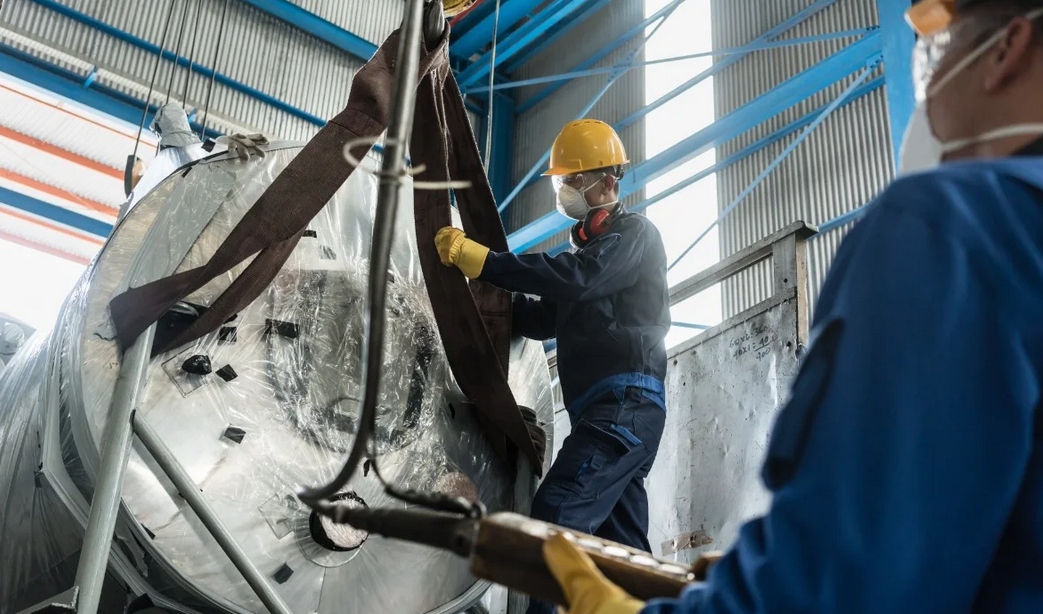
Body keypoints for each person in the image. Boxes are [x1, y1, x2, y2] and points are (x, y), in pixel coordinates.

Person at [528, 1, 1043, 613]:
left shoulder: (950, 230)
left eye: (940, 48)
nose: (927, 79)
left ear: (1008, 49)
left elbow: (838, 582)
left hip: (622, 405)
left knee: (559, 516)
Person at [435, 119, 671, 614]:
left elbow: (578, 279)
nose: (564, 191)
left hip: (624, 405)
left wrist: (488, 262)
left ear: (608, 181)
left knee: (557, 517)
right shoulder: (588, 259)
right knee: (623, 556)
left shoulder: (632, 237)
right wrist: (472, 297)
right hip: (604, 413)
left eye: (573, 181)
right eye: (561, 182)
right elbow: (540, 317)